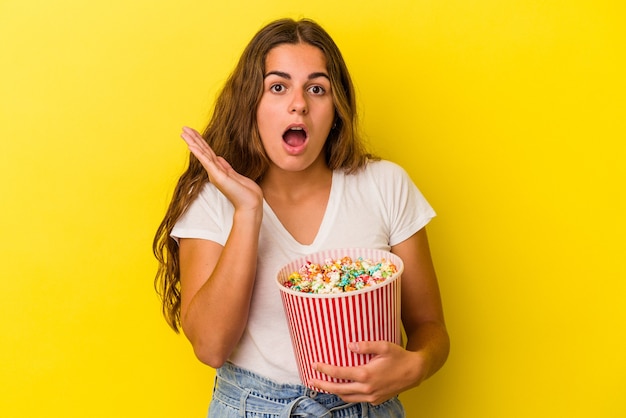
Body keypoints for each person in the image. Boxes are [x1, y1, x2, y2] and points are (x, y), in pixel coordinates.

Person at [153, 17, 449, 417]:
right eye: (278, 87)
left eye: (316, 88)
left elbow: (430, 325)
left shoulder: (385, 185)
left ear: (336, 108)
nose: (299, 103)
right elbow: (210, 347)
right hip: (251, 407)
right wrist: (247, 211)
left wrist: (415, 366)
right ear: (251, 105)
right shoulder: (213, 198)